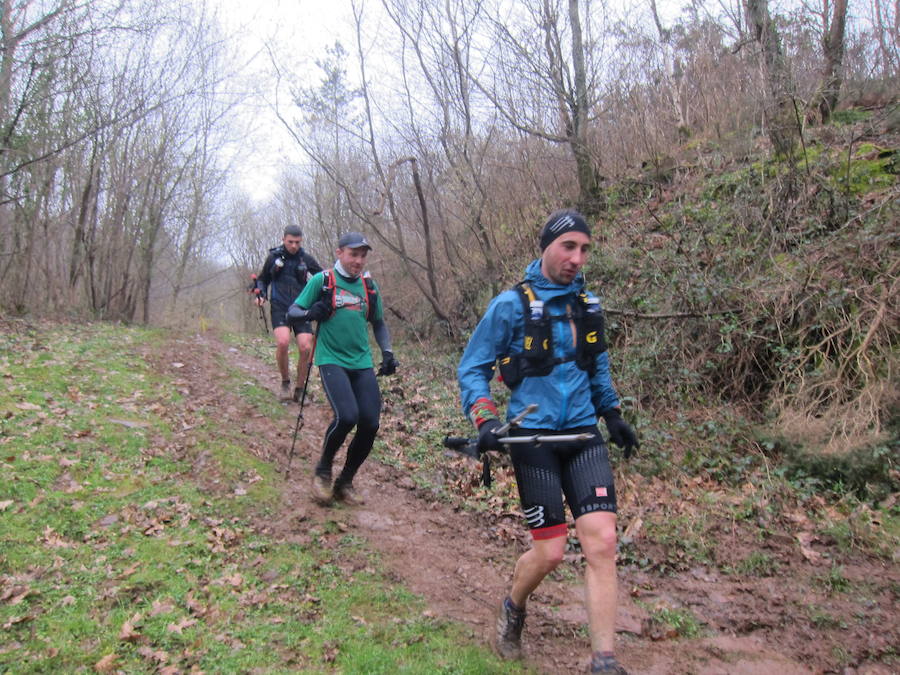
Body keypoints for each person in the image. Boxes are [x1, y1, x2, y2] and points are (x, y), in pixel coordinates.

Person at [456, 209, 638, 674]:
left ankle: (604, 659)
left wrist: (613, 415)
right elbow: (472, 368)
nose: (578, 258)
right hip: (532, 439)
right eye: (568, 247)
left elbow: (596, 366)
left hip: (582, 435)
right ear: (546, 247)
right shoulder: (510, 306)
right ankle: (514, 605)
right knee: (551, 552)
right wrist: (485, 419)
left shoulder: (587, 305)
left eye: (585, 249)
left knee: (602, 542)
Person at [287, 231, 399, 506]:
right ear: (339, 253)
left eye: (362, 256)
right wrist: (311, 313)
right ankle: (322, 472)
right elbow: (293, 312)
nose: (358, 261)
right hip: (330, 359)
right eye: (353, 254)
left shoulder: (369, 286)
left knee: (370, 422)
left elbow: (379, 322)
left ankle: (345, 481)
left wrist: (387, 351)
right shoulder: (323, 281)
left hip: (361, 362)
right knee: (347, 416)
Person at [253, 224, 323, 401]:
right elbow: (262, 280)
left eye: (297, 242)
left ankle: (300, 390)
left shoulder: (306, 259)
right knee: (283, 342)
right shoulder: (273, 257)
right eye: (290, 242)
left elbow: (323, 278)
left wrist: (325, 300)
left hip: (301, 308)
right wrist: (260, 294)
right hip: (279, 306)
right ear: (283, 239)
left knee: (305, 347)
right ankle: (285, 383)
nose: (294, 246)